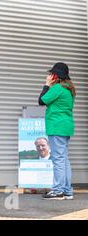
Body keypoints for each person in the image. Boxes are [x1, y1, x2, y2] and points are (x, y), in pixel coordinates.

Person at [39, 62, 75, 200]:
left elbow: (41, 101)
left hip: (56, 126)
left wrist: (47, 84)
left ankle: (58, 190)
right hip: (66, 126)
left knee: (58, 159)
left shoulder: (58, 88)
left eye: (51, 74)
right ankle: (67, 190)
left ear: (56, 75)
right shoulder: (69, 89)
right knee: (64, 159)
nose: (49, 76)